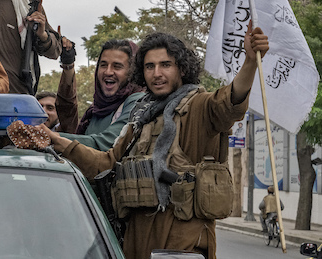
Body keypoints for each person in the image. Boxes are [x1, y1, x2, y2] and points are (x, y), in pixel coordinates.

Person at [35, 24, 269, 259]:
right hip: (135, 243)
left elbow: (230, 103)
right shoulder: (141, 118)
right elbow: (107, 164)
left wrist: (249, 62)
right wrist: (56, 141)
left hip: (181, 247)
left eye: (165, 65)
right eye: (149, 66)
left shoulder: (200, 108)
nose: (157, 73)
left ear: (182, 69)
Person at [63, 39, 145, 151]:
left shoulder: (138, 102)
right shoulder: (95, 110)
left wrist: (50, 137)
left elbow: (106, 143)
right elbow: (66, 114)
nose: (108, 72)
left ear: (132, 71)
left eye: (117, 66)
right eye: (103, 65)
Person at [37, 36, 79, 132]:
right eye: (39, 107)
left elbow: (67, 104)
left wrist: (68, 63)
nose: (44, 111)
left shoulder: (61, 136)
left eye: (50, 108)